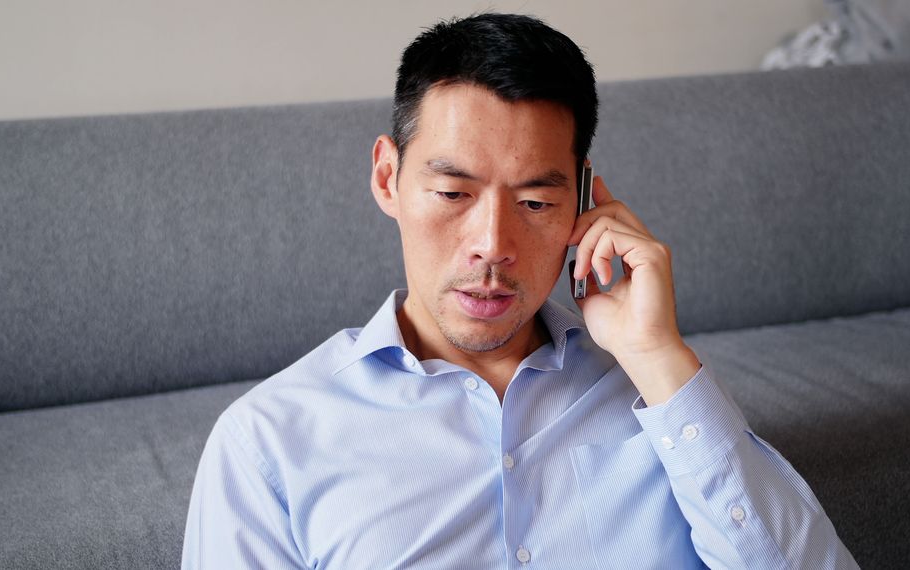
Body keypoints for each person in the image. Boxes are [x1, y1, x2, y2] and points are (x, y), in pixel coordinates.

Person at [182, 13, 859, 569]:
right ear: (388, 178)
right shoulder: (268, 442)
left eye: (535, 202)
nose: (492, 244)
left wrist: (656, 356)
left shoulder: (656, 400)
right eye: (453, 192)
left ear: (586, 199)